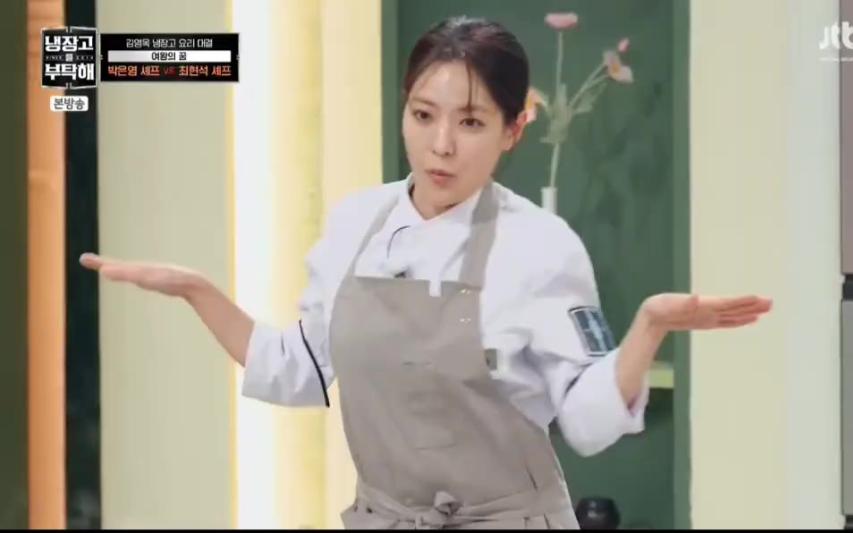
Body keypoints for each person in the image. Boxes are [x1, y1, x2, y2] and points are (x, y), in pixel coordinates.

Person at [80, 16, 772, 530]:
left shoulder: (540, 245)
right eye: (423, 115)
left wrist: (647, 327)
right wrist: (199, 292)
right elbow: (298, 369)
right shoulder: (357, 223)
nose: (441, 145)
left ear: (513, 130)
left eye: (470, 122)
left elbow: (586, 421)